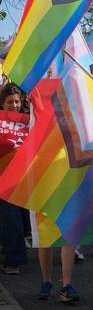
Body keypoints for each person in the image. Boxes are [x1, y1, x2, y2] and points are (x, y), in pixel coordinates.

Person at [0, 83, 28, 275]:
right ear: (2, 104)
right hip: (2, 175)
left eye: (17, 101)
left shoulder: (27, 121)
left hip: (19, 177)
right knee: (9, 217)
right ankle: (12, 257)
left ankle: (13, 259)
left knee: (14, 218)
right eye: (10, 102)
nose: (14, 105)